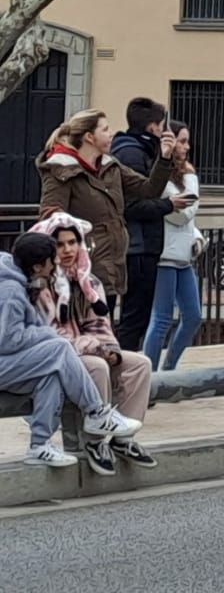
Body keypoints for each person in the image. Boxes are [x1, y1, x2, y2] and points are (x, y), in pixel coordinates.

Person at [0, 232, 142, 469]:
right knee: (59, 348)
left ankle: (39, 445)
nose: (55, 265)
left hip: (7, 362)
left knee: (51, 375)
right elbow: (8, 340)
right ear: (37, 266)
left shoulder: (19, 279)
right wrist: (47, 335)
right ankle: (97, 412)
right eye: (51, 261)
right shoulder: (11, 292)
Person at [30, 212, 156, 475]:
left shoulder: (89, 282)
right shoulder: (40, 285)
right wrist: (96, 349)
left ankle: (124, 440)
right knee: (97, 366)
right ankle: (95, 443)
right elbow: (51, 335)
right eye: (60, 244)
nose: (67, 250)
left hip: (87, 349)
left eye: (72, 243)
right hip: (57, 357)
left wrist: (110, 349)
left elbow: (99, 325)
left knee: (140, 364)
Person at [37, 109, 179, 319]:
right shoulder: (62, 169)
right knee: (88, 333)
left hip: (112, 263)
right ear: (89, 137)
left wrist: (165, 157)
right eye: (105, 129)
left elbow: (148, 190)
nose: (111, 133)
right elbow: (50, 215)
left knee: (105, 330)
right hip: (82, 269)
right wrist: (77, 237)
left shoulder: (110, 165)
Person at [110, 97, 176, 351]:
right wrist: (169, 205)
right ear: (152, 128)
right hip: (137, 246)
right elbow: (134, 204)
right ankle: (125, 374)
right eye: (162, 125)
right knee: (134, 317)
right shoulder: (132, 154)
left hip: (142, 244)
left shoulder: (136, 150)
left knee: (138, 316)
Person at [143, 120, 205, 370]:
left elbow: (189, 213)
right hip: (165, 256)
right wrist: (191, 178)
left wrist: (197, 237)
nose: (187, 147)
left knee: (193, 317)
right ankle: (149, 377)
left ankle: (169, 369)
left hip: (183, 256)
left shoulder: (183, 177)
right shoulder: (162, 180)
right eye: (182, 141)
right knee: (161, 319)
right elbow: (183, 213)